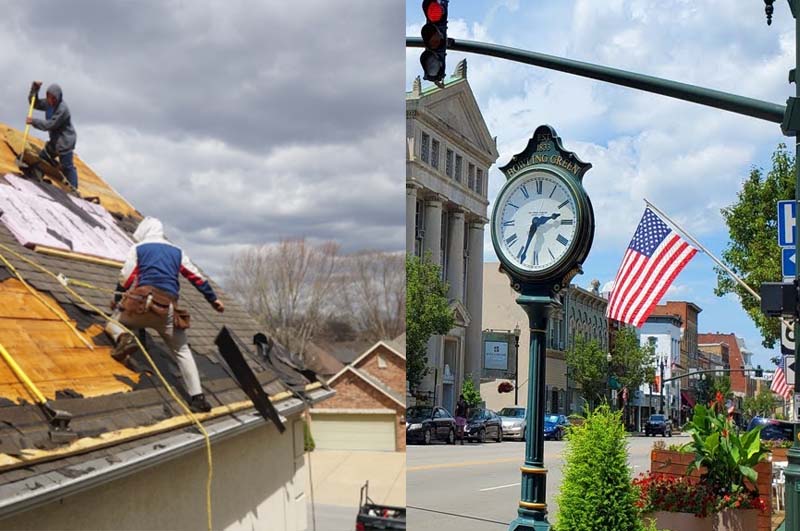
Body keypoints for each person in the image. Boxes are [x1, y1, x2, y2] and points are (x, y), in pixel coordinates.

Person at [105, 217, 225, 413]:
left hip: (140, 306)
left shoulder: (140, 248)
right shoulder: (177, 252)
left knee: (112, 322)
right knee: (182, 351)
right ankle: (197, 398)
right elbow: (196, 277)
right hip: (166, 309)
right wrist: (213, 300)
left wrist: (117, 300)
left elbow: (127, 277)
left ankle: (125, 337)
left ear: (144, 232)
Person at [26, 81, 79, 189]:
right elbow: (34, 103)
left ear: (58, 97)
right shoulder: (48, 103)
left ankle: (74, 189)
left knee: (67, 167)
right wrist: (35, 89)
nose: (51, 100)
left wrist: (33, 121)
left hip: (65, 142)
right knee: (43, 158)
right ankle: (37, 177)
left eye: (54, 98)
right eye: (49, 97)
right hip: (55, 140)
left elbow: (50, 125)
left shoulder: (62, 109)